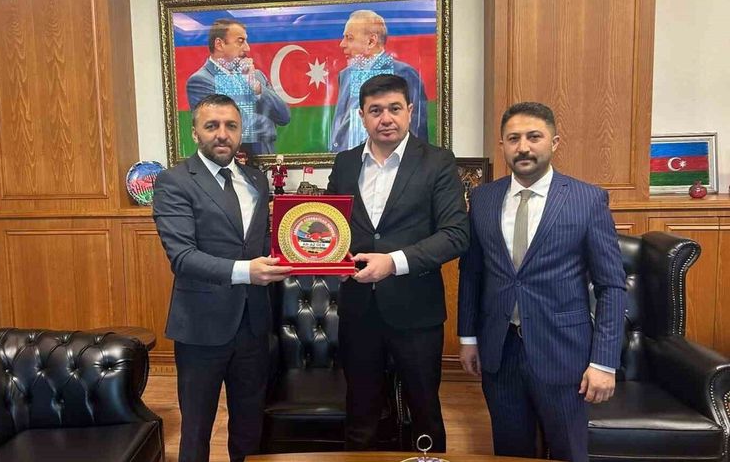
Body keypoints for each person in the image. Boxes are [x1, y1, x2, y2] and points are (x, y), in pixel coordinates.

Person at [457, 102, 627, 462]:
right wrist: (468, 338)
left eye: (534, 137)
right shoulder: (483, 198)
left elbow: (611, 286)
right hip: (499, 352)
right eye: (513, 138)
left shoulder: (587, 199)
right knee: (510, 452)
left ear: (554, 142)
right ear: (502, 145)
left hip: (564, 355)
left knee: (569, 452)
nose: (523, 147)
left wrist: (604, 362)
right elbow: (472, 272)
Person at [326, 74, 469, 452]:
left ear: (410, 110)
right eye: (375, 110)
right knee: (361, 414)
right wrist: (323, 254)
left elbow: (456, 234)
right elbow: (331, 228)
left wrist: (393, 262)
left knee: (424, 412)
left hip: (415, 311)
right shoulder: (344, 164)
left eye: (394, 108)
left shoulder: (437, 162)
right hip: (358, 311)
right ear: (361, 116)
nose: (385, 118)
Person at [153, 94, 292, 462]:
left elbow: (262, 243)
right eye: (211, 126)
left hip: (253, 325)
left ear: (241, 131)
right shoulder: (173, 181)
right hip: (201, 327)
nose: (222, 134)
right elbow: (182, 257)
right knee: (197, 430)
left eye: (231, 125)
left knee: (249, 427)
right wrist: (248, 271)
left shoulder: (256, 180)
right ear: (195, 133)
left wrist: (307, 254)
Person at [186, 18, 291, 155]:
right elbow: (230, 125)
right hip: (227, 162)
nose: (247, 48)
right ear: (219, 44)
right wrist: (269, 125)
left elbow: (284, 117)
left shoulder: (257, 76)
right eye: (240, 41)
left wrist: (256, 87)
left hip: (264, 161)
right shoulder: (201, 81)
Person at [330, 10, 428, 152]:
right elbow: (339, 123)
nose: (342, 44)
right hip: (349, 159)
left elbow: (416, 128)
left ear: (371, 41)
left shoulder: (404, 73)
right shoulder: (346, 75)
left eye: (349, 38)